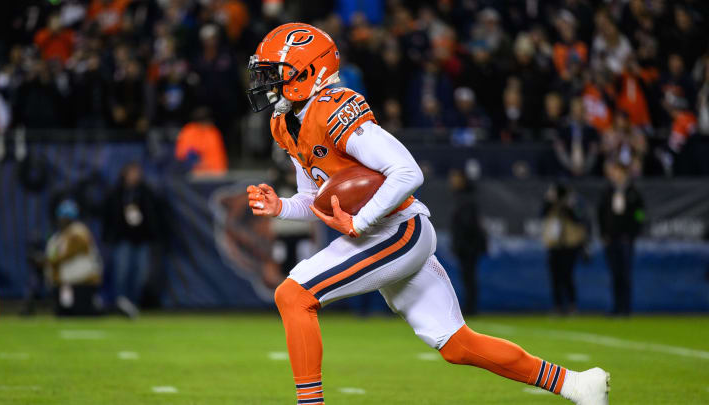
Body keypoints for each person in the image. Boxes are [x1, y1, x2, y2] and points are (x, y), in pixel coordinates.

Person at [245, 23, 609, 405]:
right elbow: (317, 200)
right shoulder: (284, 123)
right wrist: (281, 207)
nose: (268, 84)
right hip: (380, 234)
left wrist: (362, 221)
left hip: (398, 230)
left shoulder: (333, 109)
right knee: (457, 345)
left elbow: (407, 172)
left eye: (276, 74)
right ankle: (577, 385)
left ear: (308, 71)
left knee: (294, 295)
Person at [103, 163, 160, 317]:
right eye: (132, 173)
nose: (135, 176)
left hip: (141, 239)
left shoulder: (145, 193)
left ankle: (133, 305)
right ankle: (120, 304)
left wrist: (152, 233)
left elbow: (154, 214)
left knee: (140, 274)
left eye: (137, 173)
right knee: (121, 272)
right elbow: (108, 215)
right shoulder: (117, 193)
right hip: (123, 239)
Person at [597, 161, 645, 316]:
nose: (615, 175)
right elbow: (601, 214)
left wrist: (632, 234)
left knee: (625, 275)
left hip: (626, 240)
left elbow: (640, 214)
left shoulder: (633, 192)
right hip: (611, 239)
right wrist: (604, 234)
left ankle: (626, 307)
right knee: (615, 274)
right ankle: (616, 307)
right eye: (614, 171)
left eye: (618, 171)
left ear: (624, 173)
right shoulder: (608, 192)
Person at [44, 199, 103, 316]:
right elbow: (52, 258)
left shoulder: (79, 231)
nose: (64, 221)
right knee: (64, 313)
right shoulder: (56, 238)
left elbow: (74, 247)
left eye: (67, 218)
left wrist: (52, 261)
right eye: (63, 217)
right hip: (64, 285)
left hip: (83, 282)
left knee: (84, 313)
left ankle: (114, 309)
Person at [541, 182, 589, 314]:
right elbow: (542, 213)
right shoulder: (551, 203)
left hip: (570, 244)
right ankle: (557, 305)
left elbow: (579, 218)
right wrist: (549, 200)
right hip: (554, 244)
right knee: (555, 277)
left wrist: (570, 206)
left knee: (568, 276)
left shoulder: (574, 201)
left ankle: (572, 305)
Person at [449, 170, 486, 315]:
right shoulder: (461, 198)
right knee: (468, 277)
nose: (452, 181)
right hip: (466, 246)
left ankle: (471, 308)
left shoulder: (466, 199)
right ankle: (470, 306)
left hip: (469, 247)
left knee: (469, 277)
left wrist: (463, 245)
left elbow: (469, 225)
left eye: (455, 178)